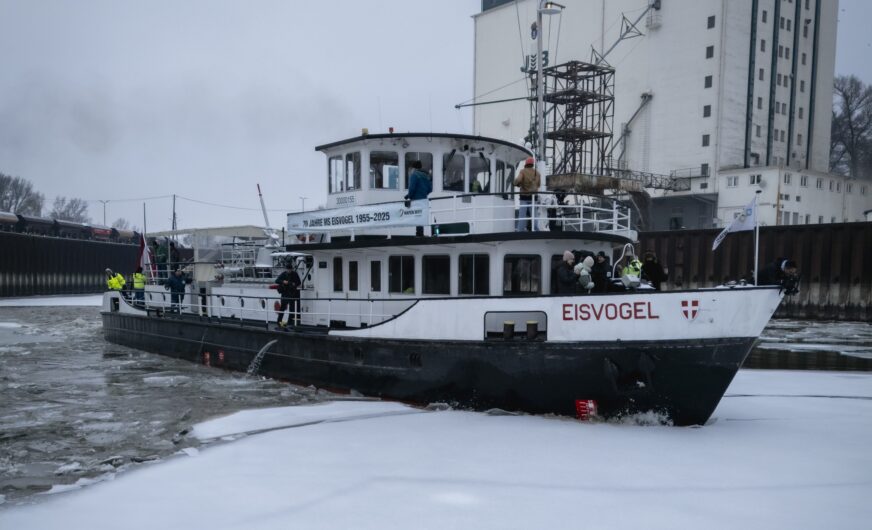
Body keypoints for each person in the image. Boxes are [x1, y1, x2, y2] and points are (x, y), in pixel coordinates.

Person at [405, 161, 432, 236]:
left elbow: (412, 188)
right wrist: (424, 193)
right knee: (421, 215)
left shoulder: (414, 175)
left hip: (416, 199)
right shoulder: (426, 176)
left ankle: (419, 233)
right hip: (424, 199)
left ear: (414, 168)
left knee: (417, 215)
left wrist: (409, 196)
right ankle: (420, 233)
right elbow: (430, 189)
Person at [513, 157, 541, 232]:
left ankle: (520, 231)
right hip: (534, 197)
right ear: (532, 164)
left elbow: (517, 180)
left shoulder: (523, 171)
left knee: (522, 215)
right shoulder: (537, 173)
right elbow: (538, 185)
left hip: (524, 197)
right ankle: (536, 229)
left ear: (526, 164)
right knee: (534, 215)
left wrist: (516, 183)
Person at [275, 260, 302, 328]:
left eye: (290, 269)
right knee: (282, 308)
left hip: (292, 293)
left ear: (291, 269)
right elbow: (277, 280)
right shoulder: (284, 274)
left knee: (292, 309)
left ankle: (289, 323)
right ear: (286, 269)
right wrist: (283, 281)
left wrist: (293, 284)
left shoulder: (295, 274)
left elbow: (299, 283)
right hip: (284, 293)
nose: (289, 270)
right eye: (287, 269)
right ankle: (279, 321)